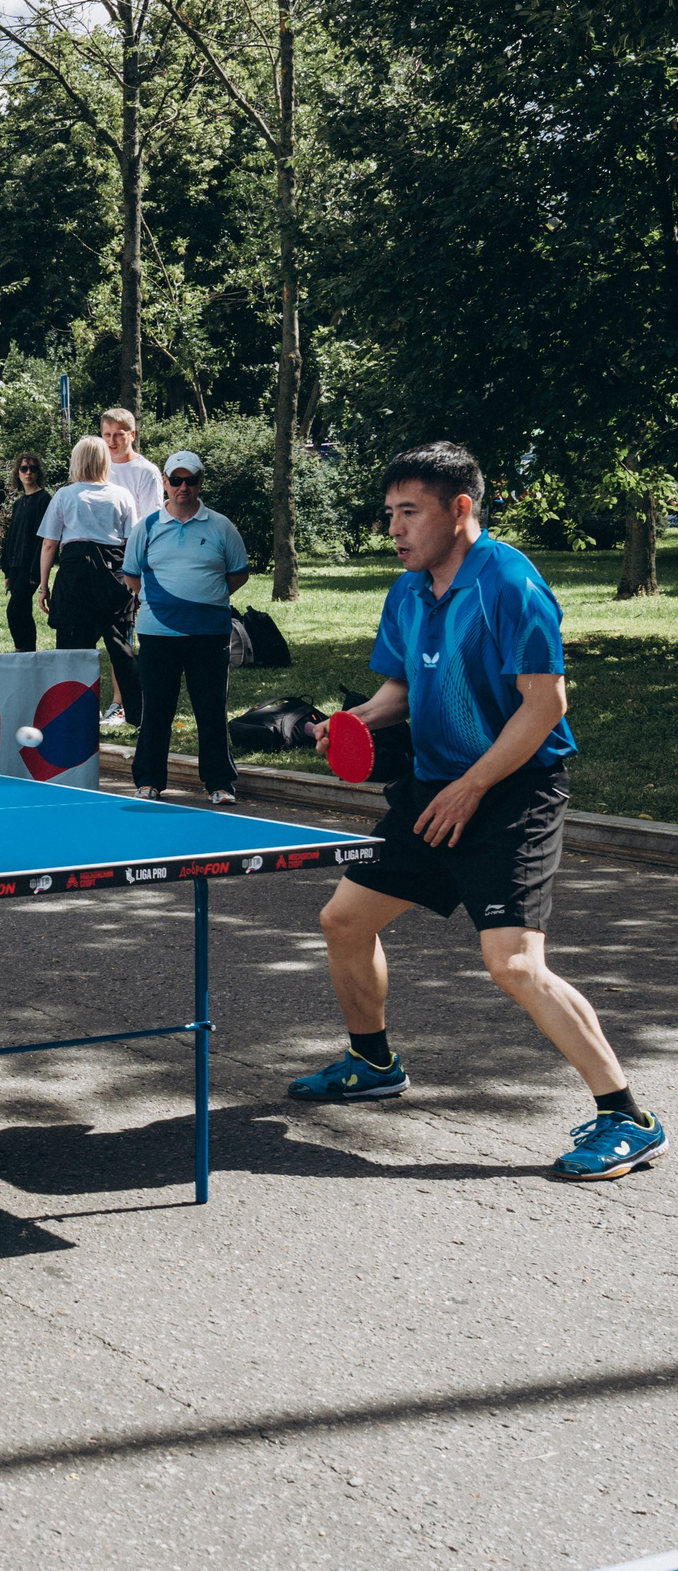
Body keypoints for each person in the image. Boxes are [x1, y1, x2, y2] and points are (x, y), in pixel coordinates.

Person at [284, 441, 659, 1184]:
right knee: (343, 921)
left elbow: (544, 704)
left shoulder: (510, 584)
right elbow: (399, 694)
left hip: (513, 792)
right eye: (389, 513)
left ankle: (627, 1117)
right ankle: (372, 1062)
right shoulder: (409, 590)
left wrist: (475, 787)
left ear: (461, 509)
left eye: (409, 512)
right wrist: (351, 722)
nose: (393, 528)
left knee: (514, 964)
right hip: (433, 791)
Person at [121, 449, 249, 803]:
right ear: (164, 482)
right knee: (157, 710)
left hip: (209, 634)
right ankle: (148, 781)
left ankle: (219, 783)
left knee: (210, 710)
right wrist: (163, 603)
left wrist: (206, 598)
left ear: (200, 482)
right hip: (157, 633)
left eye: (190, 480)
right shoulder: (145, 527)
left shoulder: (222, 526)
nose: (183, 487)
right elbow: (132, 575)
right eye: (175, 480)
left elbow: (238, 573)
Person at [35, 436, 145, 724]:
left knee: (72, 650)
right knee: (121, 648)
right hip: (113, 575)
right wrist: (137, 588)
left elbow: (49, 544)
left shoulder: (65, 495)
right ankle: (138, 713)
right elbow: (131, 544)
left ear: (76, 461)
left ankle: (74, 711)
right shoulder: (122, 496)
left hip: (75, 576)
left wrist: (43, 585)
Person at [0, 453, 54, 653]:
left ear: (39, 472)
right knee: (22, 610)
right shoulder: (18, 503)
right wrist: (6, 570)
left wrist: (35, 573)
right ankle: (28, 650)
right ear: (18, 473)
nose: (28, 472)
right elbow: (11, 537)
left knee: (14, 610)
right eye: (24, 468)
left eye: (33, 468)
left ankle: (21, 648)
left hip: (30, 565)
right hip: (15, 565)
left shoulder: (44, 499)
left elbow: (44, 539)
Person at [98, 408, 164, 527]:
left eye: (119, 435)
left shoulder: (146, 472)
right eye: (107, 435)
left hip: (132, 541)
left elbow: (151, 519)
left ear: (132, 435)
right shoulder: (96, 468)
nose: (111, 441)